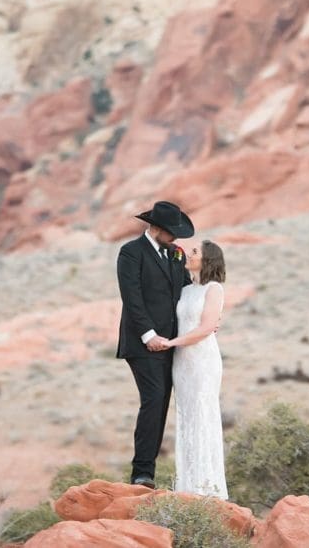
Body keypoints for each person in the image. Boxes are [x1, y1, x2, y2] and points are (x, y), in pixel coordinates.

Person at [116, 200, 194, 488]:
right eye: (172, 232)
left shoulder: (176, 254)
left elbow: (185, 291)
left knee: (161, 403)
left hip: (172, 343)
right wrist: (149, 335)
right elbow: (131, 296)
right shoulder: (130, 252)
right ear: (157, 228)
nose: (176, 238)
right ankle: (141, 473)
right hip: (141, 344)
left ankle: (148, 473)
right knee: (153, 398)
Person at [166, 240, 228, 498]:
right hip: (182, 363)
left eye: (195, 252)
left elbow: (205, 329)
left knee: (204, 416)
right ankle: (188, 485)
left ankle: (207, 487)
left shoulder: (214, 289)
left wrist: (172, 343)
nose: (189, 255)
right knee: (187, 417)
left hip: (202, 361)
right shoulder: (187, 289)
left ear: (208, 259)